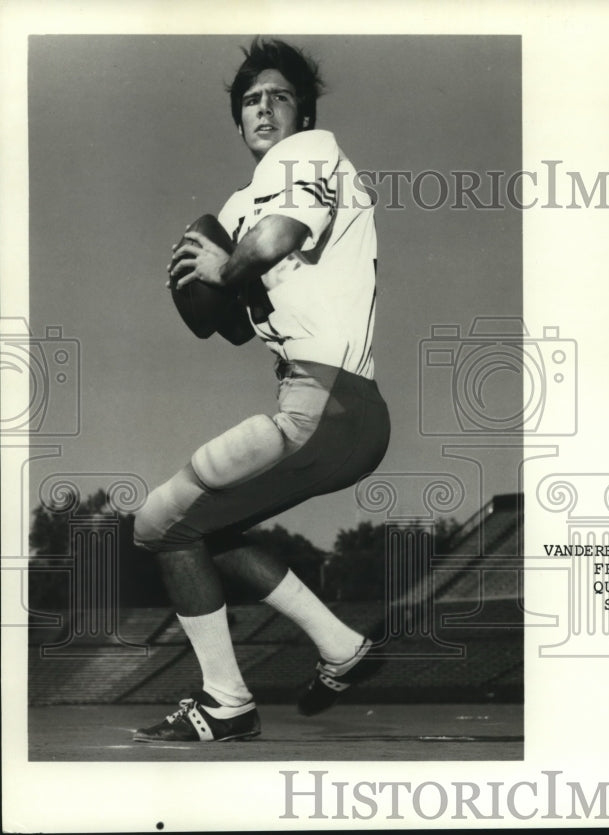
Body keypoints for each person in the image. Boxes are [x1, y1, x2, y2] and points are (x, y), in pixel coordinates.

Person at [132, 38, 390, 742]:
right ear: (238, 120)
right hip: (333, 407)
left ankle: (226, 701)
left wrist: (221, 267)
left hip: (325, 403)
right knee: (208, 530)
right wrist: (208, 287)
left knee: (159, 524)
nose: (265, 109)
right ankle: (340, 644)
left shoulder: (306, 152)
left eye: (279, 96)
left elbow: (275, 237)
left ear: (301, 110)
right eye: (251, 101)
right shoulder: (244, 199)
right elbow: (234, 330)